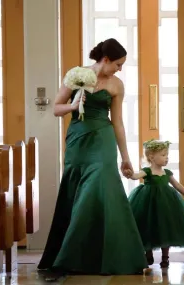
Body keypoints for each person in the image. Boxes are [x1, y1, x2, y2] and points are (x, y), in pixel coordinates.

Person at [37, 38, 148, 277]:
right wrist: (73, 106)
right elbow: (56, 108)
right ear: (105, 59)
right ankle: (76, 257)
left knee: (98, 187)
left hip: (103, 138)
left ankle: (107, 256)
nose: (120, 69)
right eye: (118, 64)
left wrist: (125, 157)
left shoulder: (117, 85)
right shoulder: (77, 75)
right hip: (78, 138)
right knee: (76, 190)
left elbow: (117, 123)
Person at [128, 139, 184, 268]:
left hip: (166, 204)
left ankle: (165, 257)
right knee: (148, 226)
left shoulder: (167, 173)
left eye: (167, 155)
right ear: (152, 157)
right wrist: (130, 174)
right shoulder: (147, 171)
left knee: (166, 228)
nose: (166, 158)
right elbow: (136, 176)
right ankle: (148, 254)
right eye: (163, 155)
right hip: (148, 203)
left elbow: (177, 185)